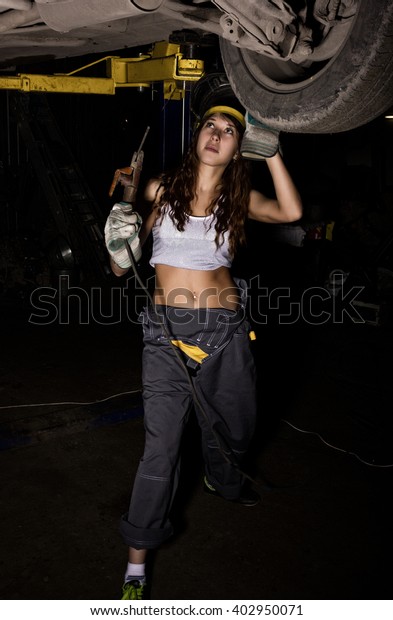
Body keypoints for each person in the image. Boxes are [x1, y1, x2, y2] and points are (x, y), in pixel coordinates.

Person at [104, 74, 303, 600]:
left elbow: (292, 212)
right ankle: (136, 566)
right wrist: (119, 226)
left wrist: (274, 152)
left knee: (237, 428)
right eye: (210, 126)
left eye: (229, 131)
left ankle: (222, 473)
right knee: (160, 450)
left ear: (241, 147)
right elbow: (122, 267)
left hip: (225, 335)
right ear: (197, 136)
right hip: (165, 335)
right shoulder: (160, 188)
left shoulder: (241, 201)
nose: (216, 134)